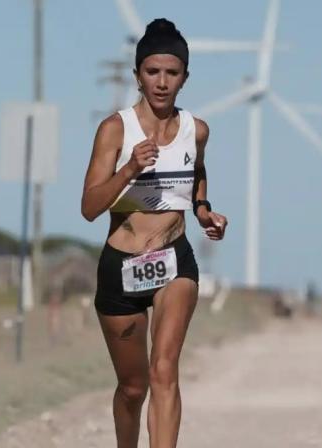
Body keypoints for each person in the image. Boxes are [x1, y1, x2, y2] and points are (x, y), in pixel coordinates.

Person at [81, 18, 227, 448]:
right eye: (152, 72)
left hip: (173, 259)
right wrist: (129, 169)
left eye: (172, 73)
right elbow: (89, 207)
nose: (162, 83)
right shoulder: (115, 129)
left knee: (164, 370)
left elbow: (196, 172)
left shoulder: (195, 130)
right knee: (133, 388)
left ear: (185, 77)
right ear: (137, 76)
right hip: (120, 264)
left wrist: (203, 212)